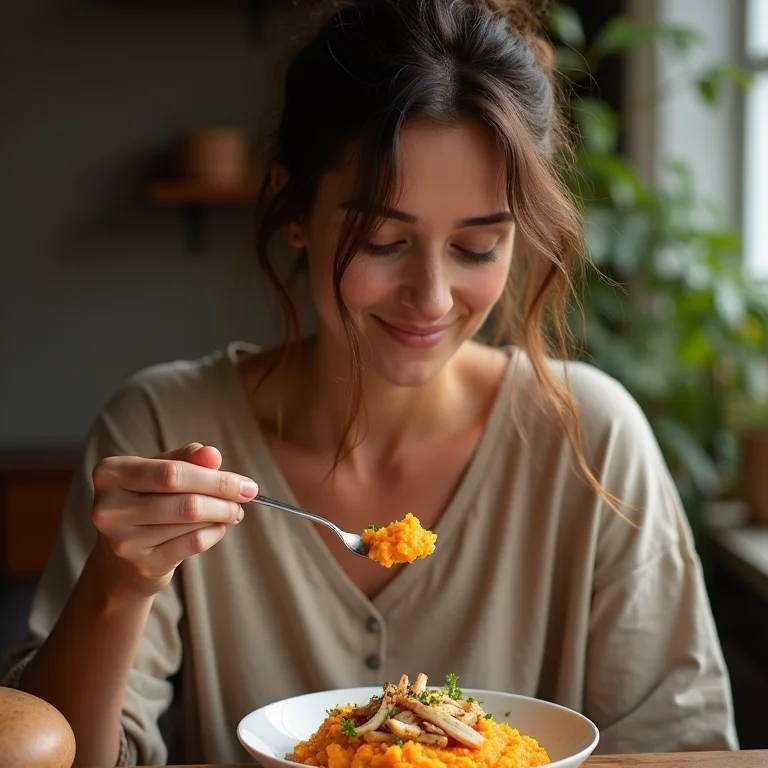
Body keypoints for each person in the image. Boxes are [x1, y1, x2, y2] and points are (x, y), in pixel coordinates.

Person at [1, 0, 738, 765]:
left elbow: (683, 749)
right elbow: (62, 754)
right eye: (385, 240)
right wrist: (119, 586)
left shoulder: (594, 438)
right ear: (294, 207)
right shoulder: (162, 425)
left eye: (479, 247)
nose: (433, 296)